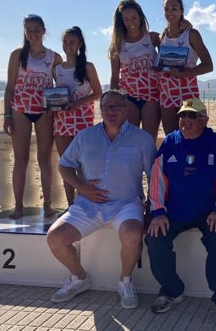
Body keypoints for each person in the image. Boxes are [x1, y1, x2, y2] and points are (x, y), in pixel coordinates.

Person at [46, 90, 157, 309]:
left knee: (133, 235)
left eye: (116, 107)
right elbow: (64, 166)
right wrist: (81, 188)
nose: (111, 111)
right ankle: (79, 279)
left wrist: (152, 209)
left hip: (126, 204)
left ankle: (125, 282)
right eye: (106, 107)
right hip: (88, 205)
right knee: (55, 238)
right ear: (101, 110)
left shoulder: (142, 139)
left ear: (126, 110)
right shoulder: (85, 136)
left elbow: (154, 176)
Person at [145, 98, 216, 327]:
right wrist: (158, 211)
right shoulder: (169, 142)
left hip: (209, 212)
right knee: (155, 238)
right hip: (175, 211)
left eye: (192, 116)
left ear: (204, 120)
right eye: (182, 116)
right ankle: (171, 290)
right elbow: (156, 180)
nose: (186, 120)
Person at [3, 14, 63, 219]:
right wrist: (7, 115)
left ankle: (47, 205)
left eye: (37, 29)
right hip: (20, 109)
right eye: (29, 30)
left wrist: (58, 106)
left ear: (44, 31)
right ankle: (18, 206)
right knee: (21, 159)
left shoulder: (54, 57)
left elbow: (61, 86)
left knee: (44, 160)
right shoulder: (17, 55)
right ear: (24, 32)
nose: (33, 34)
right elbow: (10, 87)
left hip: (44, 112)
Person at [54, 26, 102, 206]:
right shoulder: (57, 69)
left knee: (83, 164)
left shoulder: (88, 67)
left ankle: (86, 202)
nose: (68, 46)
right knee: (66, 164)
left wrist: (76, 104)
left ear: (79, 44)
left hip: (83, 121)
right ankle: (70, 204)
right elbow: (54, 95)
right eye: (65, 42)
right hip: (61, 122)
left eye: (72, 42)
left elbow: (98, 93)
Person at [156, 0, 213, 135]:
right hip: (167, 93)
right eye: (167, 9)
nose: (170, 12)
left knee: (191, 135)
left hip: (187, 91)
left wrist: (183, 74)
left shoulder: (191, 34)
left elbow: (208, 65)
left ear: (182, 11)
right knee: (172, 138)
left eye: (174, 8)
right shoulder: (162, 36)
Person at [108, 0, 162, 142]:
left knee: (149, 141)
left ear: (140, 17)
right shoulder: (117, 45)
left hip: (151, 96)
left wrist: (185, 26)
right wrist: (113, 103)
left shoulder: (153, 38)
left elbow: (173, 41)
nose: (130, 22)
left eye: (133, 17)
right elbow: (114, 78)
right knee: (128, 140)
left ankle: (150, 166)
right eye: (126, 19)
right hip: (128, 97)